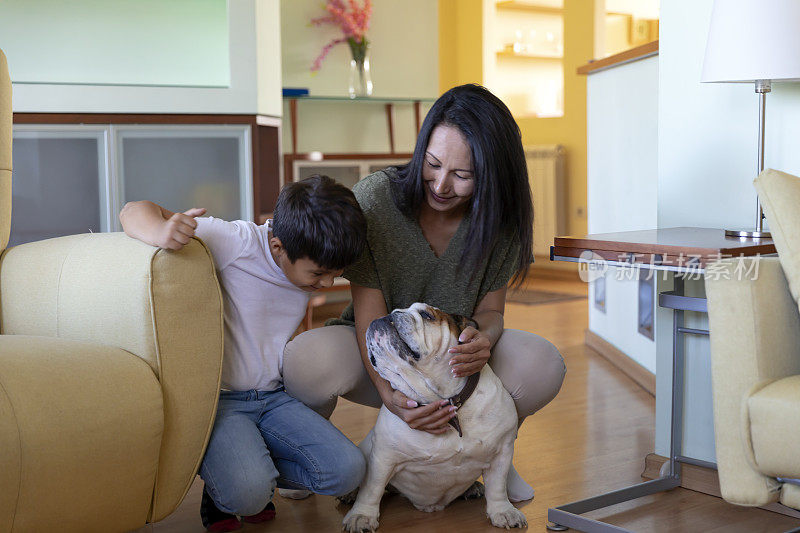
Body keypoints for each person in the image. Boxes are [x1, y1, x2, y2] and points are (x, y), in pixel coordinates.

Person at [283, 84, 566, 503]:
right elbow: (369, 317)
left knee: (543, 365)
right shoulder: (375, 199)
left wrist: (483, 337)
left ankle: (482, 454)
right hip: (375, 354)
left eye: (463, 176)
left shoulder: (499, 221)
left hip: (450, 365)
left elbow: (492, 312)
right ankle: (306, 459)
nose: (440, 184)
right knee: (303, 360)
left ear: (491, 176)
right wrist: (388, 396)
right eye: (432, 164)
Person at [119, 175, 368, 533]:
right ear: (279, 246)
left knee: (348, 472)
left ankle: (243, 470)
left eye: (336, 274)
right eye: (319, 274)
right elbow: (132, 211)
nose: (327, 284)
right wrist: (160, 231)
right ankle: (227, 486)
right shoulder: (235, 241)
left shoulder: (308, 254)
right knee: (249, 496)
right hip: (222, 402)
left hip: (274, 397)